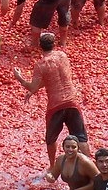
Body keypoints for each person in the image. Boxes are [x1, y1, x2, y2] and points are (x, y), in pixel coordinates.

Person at [14, 32, 89, 163]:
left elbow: (33, 86)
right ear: (54, 44)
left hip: (56, 105)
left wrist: (19, 77)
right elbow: (54, 78)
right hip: (72, 100)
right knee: (80, 137)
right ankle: (91, 167)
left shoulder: (41, 65)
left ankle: (53, 166)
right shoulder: (63, 56)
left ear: (40, 46)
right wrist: (34, 90)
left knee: (51, 138)